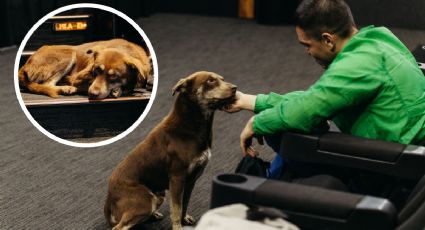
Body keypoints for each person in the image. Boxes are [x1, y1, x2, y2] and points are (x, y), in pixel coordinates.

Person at [225, 0, 425, 180]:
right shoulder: (378, 39)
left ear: (328, 40)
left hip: (396, 167)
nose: (308, 52)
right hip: (408, 152)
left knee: (282, 128)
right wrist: (251, 101)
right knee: (284, 118)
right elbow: (317, 98)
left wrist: (257, 122)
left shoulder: (356, 65)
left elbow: (305, 112)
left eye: (308, 45)